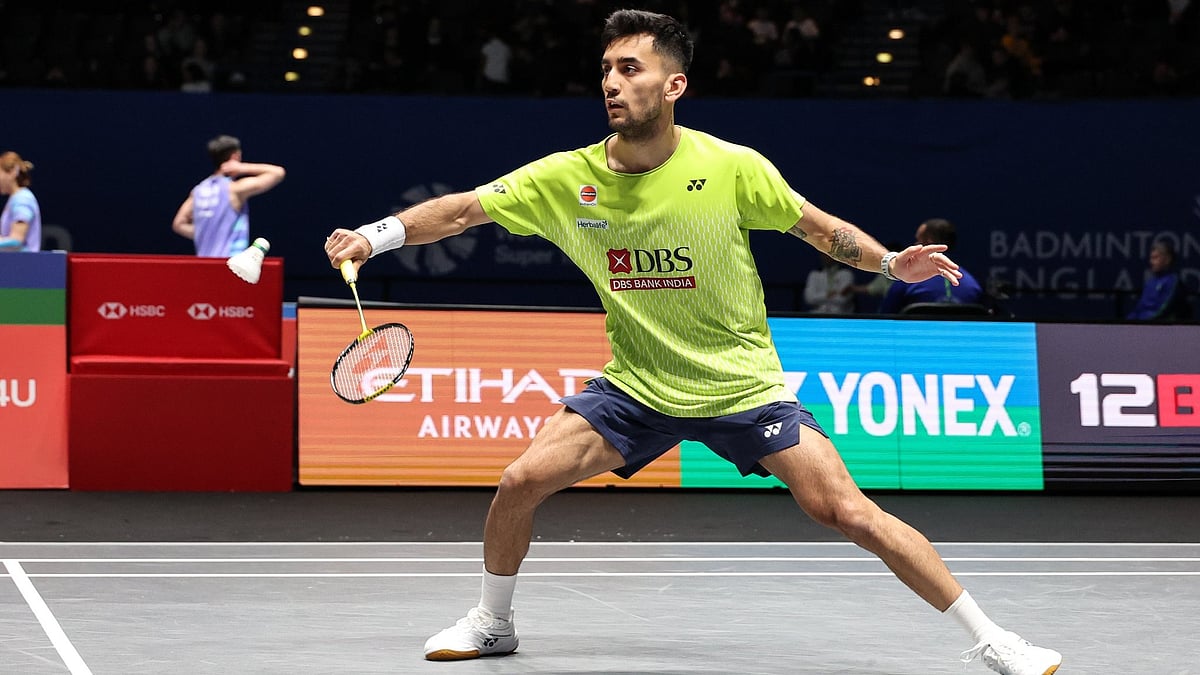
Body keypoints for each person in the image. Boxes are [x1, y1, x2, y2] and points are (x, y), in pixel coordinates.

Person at [323, 10, 1061, 674]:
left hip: (741, 385)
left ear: (674, 85)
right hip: (637, 386)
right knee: (519, 481)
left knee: (846, 509)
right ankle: (493, 621)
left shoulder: (731, 166)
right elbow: (460, 212)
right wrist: (375, 236)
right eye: (606, 70)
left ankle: (996, 639)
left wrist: (889, 261)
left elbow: (818, 228)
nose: (611, 83)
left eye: (630, 68)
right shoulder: (565, 179)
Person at [172, 135, 285, 257]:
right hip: (230, 264)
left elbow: (178, 224)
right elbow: (278, 173)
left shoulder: (198, 191)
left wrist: (206, 232)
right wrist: (242, 167)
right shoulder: (234, 189)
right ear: (235, 156)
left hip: (204, 264)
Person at [879, 218, 987, 314]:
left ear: (929, 241)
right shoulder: (974, 285)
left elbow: (884, 317)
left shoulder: (905, 279)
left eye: (918, 240)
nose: (915, 244)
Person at [1126, 239, 1190, 321]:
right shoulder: (1150, 282)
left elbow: (1164, 311)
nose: (1151, 262)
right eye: (1151, 258)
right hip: (1141, 326)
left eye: (1155, 258)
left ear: (1167, 259)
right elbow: (1139, 308)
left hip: (1160, 328)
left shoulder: (1174, 282)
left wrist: (1145, 323)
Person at [0, 151, 42, 252]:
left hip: (24, 265)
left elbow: (16, 241)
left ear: (12, 172)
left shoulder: (22, 200)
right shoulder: (15, 199)